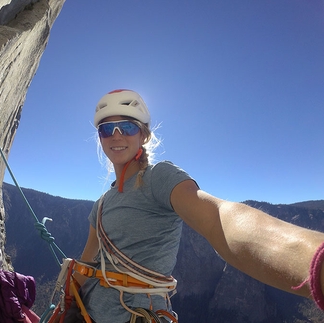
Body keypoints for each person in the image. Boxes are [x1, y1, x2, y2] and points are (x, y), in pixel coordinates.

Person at [67, 89, 324, 323]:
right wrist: (67, 303)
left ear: (143, 134)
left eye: (127, 126)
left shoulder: (160, 177)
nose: (116, 135)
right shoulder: (101, 204)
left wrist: (313, 261)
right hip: (87, 313)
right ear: (99, 138)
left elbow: (218, 218)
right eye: (106, 129)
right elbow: (87, 261)